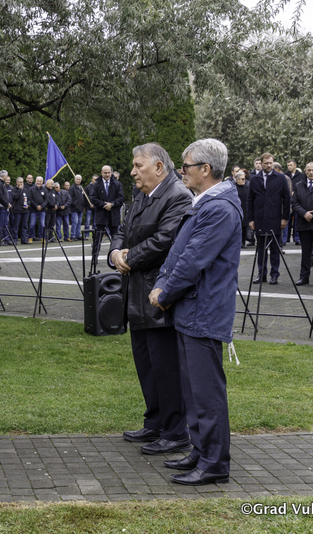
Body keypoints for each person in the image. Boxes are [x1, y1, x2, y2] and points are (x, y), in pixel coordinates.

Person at [149, 138, 242, 486]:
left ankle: (214, 462)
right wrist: (162, 283)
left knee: (206, 392)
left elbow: (193, 261)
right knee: (192, 390)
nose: (180, 172)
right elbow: (178, 253)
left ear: (205, 169)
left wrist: (164, 292)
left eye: (185, 166)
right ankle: (201, 451)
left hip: (204, 310)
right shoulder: (205, 203)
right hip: (192, 309)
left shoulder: (219, 208)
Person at [109, 142, 192, 456]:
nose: (132, 172)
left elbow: (166, 240)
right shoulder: (142, 195)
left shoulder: (177, 196)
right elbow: (122, 230)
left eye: (138, 166)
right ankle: (155, 422)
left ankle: (176, 432)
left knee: (166, 368)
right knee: (147, 365)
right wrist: (115, 254)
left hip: (159, 297)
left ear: (158, 167)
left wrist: (130, 257)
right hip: (137, 296)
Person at [247, 153, 290, 285]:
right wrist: (251, 219)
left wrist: (285, 218)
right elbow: (250, 200)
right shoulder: (255, 179)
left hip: (275, 218)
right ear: (261, 163)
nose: (268, 165)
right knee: (261, 249)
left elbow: (286, 199)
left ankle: (274, 274)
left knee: (275, 249)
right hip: (259, 219)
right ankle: (262, 274)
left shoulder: (280, 178)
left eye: (270, 163)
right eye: (266, 163)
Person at [90, 165, 124, 265]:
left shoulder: (117, 184)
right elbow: (93, 198)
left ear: (111, 173)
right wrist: (104, 205)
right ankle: (94, 258)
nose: (107, 175)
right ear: (102, 173)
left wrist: (112, 204)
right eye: (105, 173)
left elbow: (121, 198)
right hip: (101, 215)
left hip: (113, 215)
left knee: (115, 239)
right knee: (97, 238)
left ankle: (116, 259)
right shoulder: (97, 184)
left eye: (109, 172)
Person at [0, 170, 13, 245]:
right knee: (0, 224)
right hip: (1, 207)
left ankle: (6, 239)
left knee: (5, 224)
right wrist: (7, 203)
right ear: (4, 176)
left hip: (4, 207)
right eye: (6, 176)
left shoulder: (1, 184)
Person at [27, 176, 49, 243]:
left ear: (42, 182)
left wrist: (41, 206)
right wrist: (36, 206)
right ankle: (31, 237)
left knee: (42, 224)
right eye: (38, 181)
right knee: (32, 224)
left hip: (42, 210)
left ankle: (42, 237)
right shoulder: (31, 189)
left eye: (40, 181)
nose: (39, 182)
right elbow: (30, 199)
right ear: (35, 181)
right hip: (33, 209)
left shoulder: (45, 189)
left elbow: (46, 200)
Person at [10, 177, 30, 244]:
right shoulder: (14, 189)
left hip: (25, 211)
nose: (21, 184)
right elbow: (15, 197)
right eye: (20, 182)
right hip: (17, 211)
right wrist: (19, 190)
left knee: (24, 226)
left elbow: (29, 199)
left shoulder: (25, 190)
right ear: (17, 183)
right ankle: (15, 240)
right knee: (16, 226)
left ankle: (24, 239)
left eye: (22, 182)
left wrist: (28, 205)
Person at [234, 171, 250, 248]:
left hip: (245, 208)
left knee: (244, 226)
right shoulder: (233, 187)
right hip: (237, 209)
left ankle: (242, 242)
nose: (244, 180)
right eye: (242, 179)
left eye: (245, 179)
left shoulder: (248, 185)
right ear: (237, 179)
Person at [68, 174, 86, 240]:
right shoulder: (72, 188)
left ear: (81, 180)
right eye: (77, 179)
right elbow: (70, 198)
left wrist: (83, 206)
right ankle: (73, 235)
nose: (78, 180)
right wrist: (74, 204)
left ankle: (78, 234)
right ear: (75, 180)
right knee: (75, 221)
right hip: (74, 208)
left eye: (79, 179)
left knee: (79, 222)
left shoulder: (81, 188)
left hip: (80, 208)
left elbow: (83, 197)